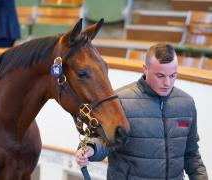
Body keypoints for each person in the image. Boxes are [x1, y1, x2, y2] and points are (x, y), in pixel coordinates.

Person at [75, 43, 208, 180]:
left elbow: (191, 154)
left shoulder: (186, 104)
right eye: (160, 76)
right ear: (145, 69)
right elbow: (104, 141)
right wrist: (91, 148)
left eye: (173, 75)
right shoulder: (120, 101)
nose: (167, 83)